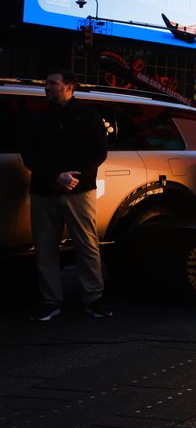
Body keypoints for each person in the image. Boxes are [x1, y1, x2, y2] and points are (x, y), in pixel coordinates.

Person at [20, 71, 110, 320]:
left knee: (86, 244)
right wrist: (54, 177)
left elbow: (99, 152)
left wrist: (73, 178)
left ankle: (94, 297)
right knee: (45, 248)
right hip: (43, 192)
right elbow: (29, 155)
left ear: (69, 87)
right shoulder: (37, 120)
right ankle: (50, 301)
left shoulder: (89, 116)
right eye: (46, 82)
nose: (46, 87)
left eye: (52, 83)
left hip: (79, 192)